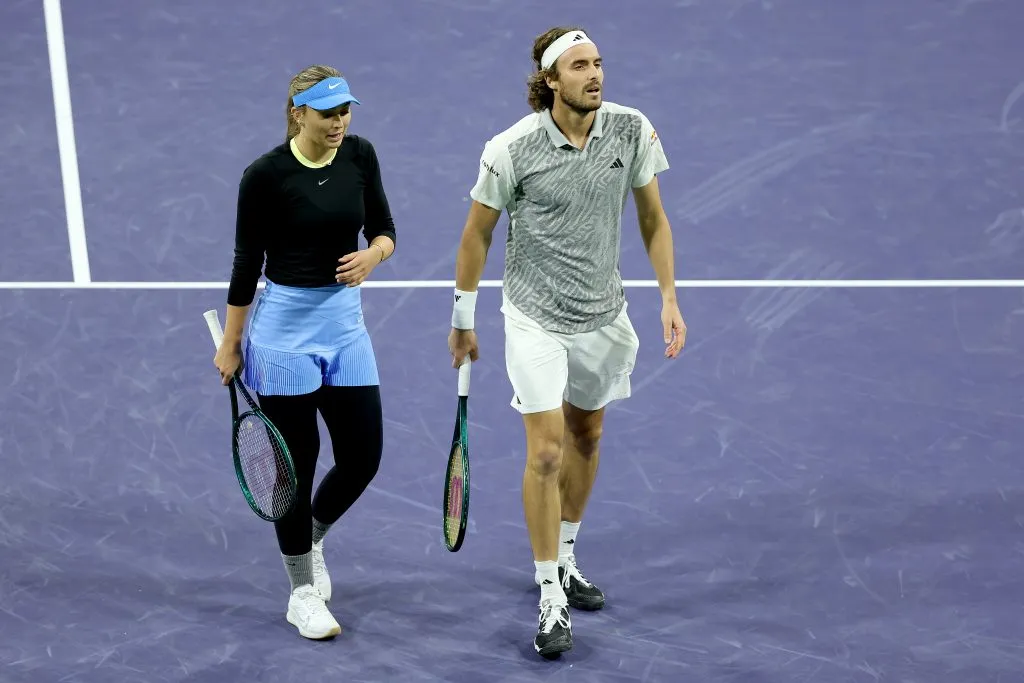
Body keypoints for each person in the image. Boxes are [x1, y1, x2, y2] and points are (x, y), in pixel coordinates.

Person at [447, 27, 686, 658]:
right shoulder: (511, 149)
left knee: (588, 435)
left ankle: (570, 554)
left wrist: (667, 295)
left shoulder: (631, 130)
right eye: (580, 66)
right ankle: (549, 588)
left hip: (603, 313)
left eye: (599, 63)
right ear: (551, 80)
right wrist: (463, 317)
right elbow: (476, 235)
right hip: (534, 318)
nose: (595, 75)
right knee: (547, 452)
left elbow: (653, 215)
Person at [212, 64, 396, 641]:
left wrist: (376, 255)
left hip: (344, 327)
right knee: (297, 466)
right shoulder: (264, 176)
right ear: (298, 113)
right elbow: (247, 263)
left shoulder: (360, 154)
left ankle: (312, 536)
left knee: (363, 455)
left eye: (345, 110)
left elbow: (384, 228)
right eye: (327, 113)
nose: (340, 122)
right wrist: (231, 341)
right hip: (284, 333)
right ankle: (301, 591)